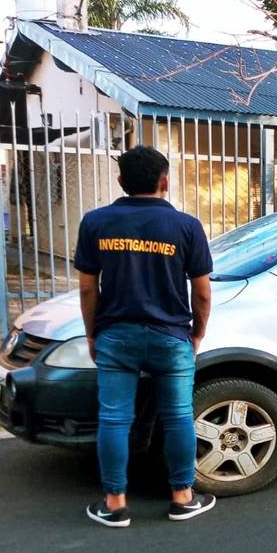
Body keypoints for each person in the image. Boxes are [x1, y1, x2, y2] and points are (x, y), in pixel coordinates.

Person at [72, 145, 216, 527]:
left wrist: (92, 335)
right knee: (178, 417)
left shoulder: (96, 223)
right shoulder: (187, 227)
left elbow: (88, 289)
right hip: (172, 338)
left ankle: (115, 503)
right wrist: (197, 335)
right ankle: (182, 498)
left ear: (120, 181)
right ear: (165, 182)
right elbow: (202, 292)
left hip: (116, 337)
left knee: (115, 419)